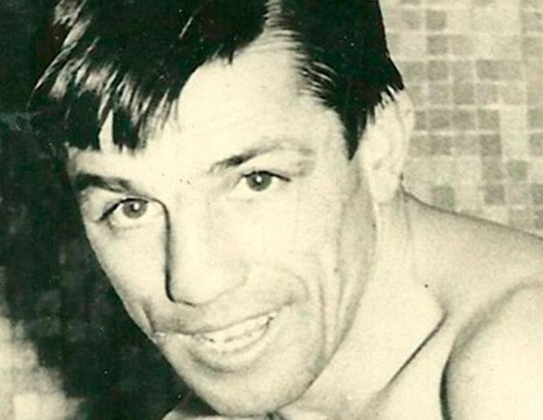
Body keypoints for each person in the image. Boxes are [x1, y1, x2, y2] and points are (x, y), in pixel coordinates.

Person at [28, 0, 543, 418]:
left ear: (380, 146)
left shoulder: (519, 365)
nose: (194, 282)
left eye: (256, 181)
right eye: (131, 207)